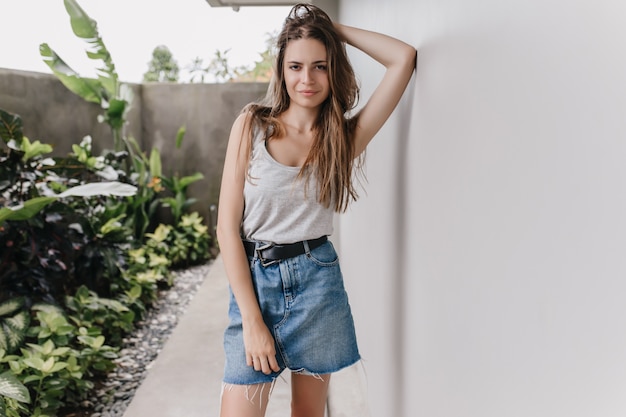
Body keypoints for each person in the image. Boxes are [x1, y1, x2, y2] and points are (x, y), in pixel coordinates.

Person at [216, 3, 416, 417]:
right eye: (295, 66)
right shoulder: (252, 125)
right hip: (256, 285)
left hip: (317, 285)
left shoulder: (342, 139)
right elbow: (225, 229)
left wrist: (329, 28)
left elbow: (403, 58)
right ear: (281, 70)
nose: (306, 79)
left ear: (333, 69)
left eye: (319, 66)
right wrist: (253, 321)